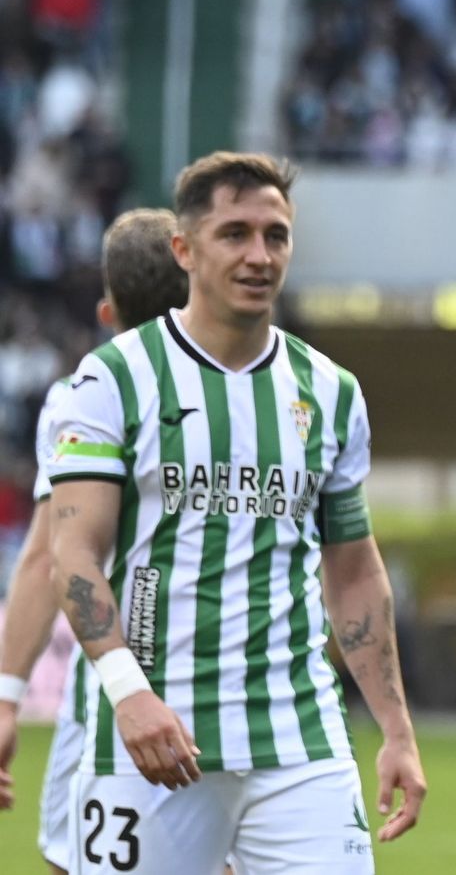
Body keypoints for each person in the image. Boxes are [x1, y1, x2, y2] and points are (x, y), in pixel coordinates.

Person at [45, 151, 425, 873]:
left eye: (275, 235)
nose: (259, 255)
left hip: (297, 739)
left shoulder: (330, 391)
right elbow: (73, 554)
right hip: (149, 735)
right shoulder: (115, 377)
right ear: (184, 249)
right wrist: (129, 693)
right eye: (235, 233)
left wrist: (397, 730)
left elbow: (353, 569)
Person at [0, 208, 191, 873]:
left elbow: (43, 560)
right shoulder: (271, 388)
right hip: (245, 685)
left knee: (73, 862)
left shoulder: (79, 396)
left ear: (109, 312)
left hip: (109, 688)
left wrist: (6, 697)